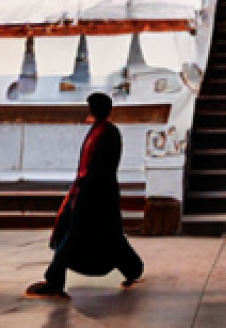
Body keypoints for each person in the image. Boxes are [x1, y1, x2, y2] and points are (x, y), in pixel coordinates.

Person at [26, 92, 144, 300]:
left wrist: (77, 196)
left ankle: (54, 279)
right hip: (102, 194)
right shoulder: (107, 131)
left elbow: (91, 170)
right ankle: (133, 268)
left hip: (91, 195)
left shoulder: (101, 133)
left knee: (71, 236)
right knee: (110, 236)